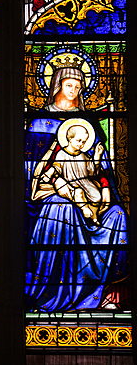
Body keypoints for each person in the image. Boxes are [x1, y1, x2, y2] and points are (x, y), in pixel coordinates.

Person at [25, 63, 128, 312]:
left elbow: (101, 171)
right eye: (69, 85)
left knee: (118, 216)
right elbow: (30, 170)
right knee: (64, 209)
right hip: (51, 194)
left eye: (78, 86)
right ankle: (51, 293)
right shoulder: (39, 121)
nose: (73, 90)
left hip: (88, 189)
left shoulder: (87, 122)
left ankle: (101, 292)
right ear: (57, 86)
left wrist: (102, 189)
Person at [42, 125, 104, 224]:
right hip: (69, 183)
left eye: (84, 142)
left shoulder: (83, 155)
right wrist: (48, 174)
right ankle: (85, 208)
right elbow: (56, 167)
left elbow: (91, 171)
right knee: (78, 192)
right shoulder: (62, 154)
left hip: (84, 182)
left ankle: (94, 216)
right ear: (69, 139)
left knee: (97, 196)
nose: (81, 144)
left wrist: (97, 156)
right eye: (78, 140)